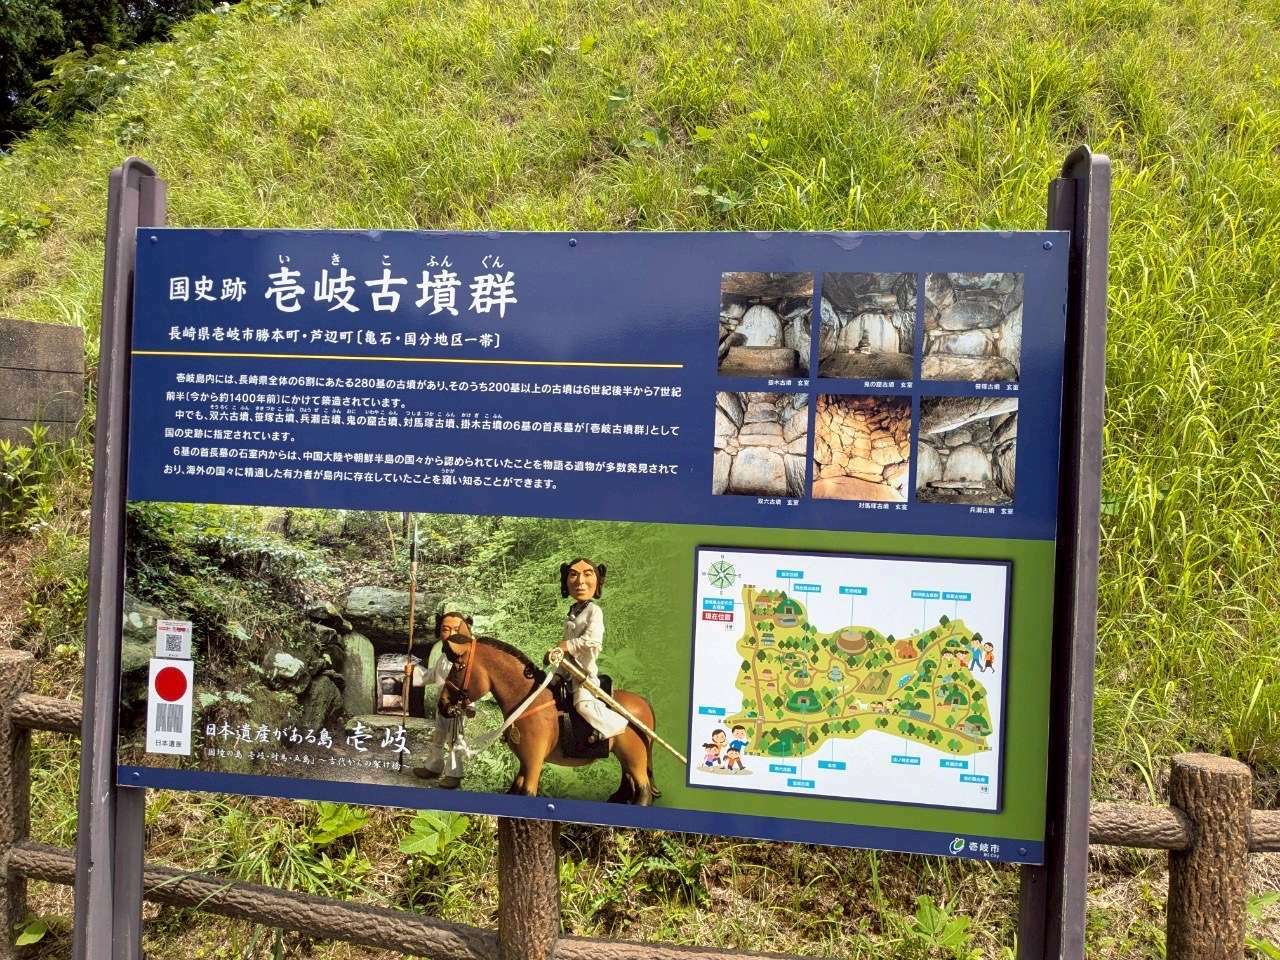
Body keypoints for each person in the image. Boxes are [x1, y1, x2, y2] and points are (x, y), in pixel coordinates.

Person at [556, 557, 628, 740]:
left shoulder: (594, 611)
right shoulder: (572, 612)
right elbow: (566, 645)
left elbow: (592, 641)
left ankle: (615, 724)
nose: (580, 581)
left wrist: (567, 645)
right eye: (573, 575)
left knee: (582, 705)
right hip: (567, 671)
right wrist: (559, 666)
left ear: (597, 580)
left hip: (584, 673)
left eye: (587, 574)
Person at [412, 611, 474, 789]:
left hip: (457, 705)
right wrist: (414, 671)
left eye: (456, 629)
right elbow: (432, 675)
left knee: (456, 738)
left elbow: (472, 683)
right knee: (438, 735)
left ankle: (454, 774)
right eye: (446, 629)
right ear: (439, 633)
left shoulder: (467, 657)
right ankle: (434, 766)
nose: (451, 634)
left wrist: (470, 704)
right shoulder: (444, 656)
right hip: (442, 704)